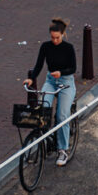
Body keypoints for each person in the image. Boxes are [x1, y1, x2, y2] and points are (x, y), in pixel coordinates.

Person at [25, 18, 77, 166]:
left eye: (57, 37)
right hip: (51, 81)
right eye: (52, 37)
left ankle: (62, 150)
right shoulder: (45, 47)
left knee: (62, 115)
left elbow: (73, 68)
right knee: (43, 108)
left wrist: (61, 73)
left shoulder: (69, 48)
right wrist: (31, 78)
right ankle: (47, 139)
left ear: (63, 34)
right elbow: (39, 65)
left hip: (66, 81)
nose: (54, 40)